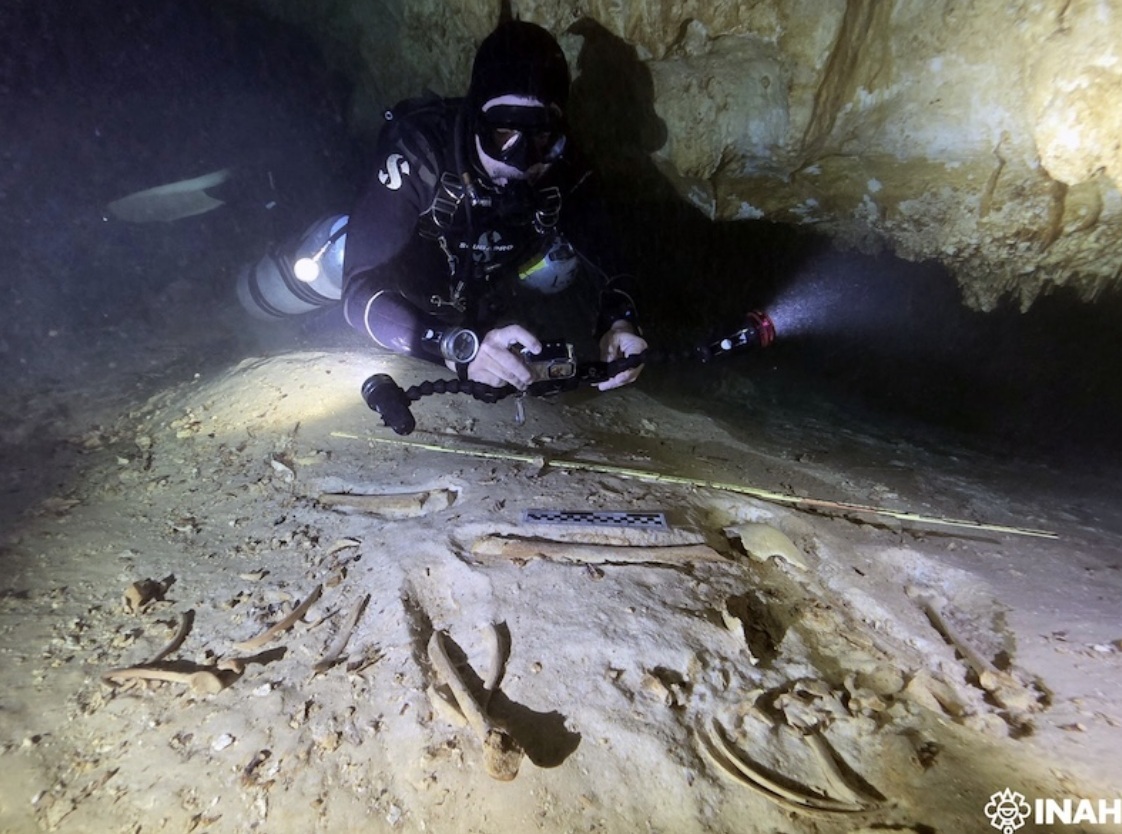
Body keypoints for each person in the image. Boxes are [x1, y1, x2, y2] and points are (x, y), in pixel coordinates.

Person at [340, 19, 647, 392]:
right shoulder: (421, 156)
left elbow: (613, 256)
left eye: (542, 136)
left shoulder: (566, 168)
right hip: (404, 288)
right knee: (331, 257)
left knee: (559, 266)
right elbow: (357, 291)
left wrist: (619, 322)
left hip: (487, 293)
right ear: (474, 119)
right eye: (502, 133)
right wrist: (455, 348)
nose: (520, 160)